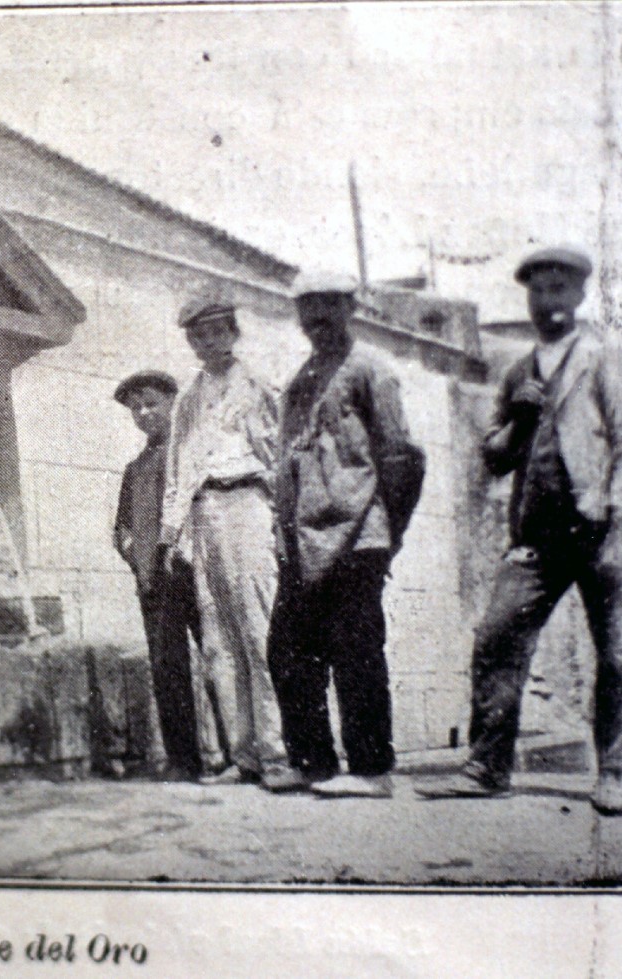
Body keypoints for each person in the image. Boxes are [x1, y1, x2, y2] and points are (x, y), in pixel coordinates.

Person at [416, 247, 622, 815]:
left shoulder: (604, 355)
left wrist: (617, 515)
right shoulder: (518, 369)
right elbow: (492, 457)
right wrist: (519, 416)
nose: (548, 301)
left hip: (599, 531)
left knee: (616, 654)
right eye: (538, 291)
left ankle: (615, 774)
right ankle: (488, 768)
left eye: (559, 289)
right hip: (536, 539)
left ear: (580, 295)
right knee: (495, 639)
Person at [267, 273, 425, 798]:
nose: (318, 318)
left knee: (356, 651)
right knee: (289, 651)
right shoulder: (301, 378)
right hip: (303, 540)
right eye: (308, 307)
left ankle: (372, 770)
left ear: (350, 308)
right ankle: (312, 762)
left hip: (358, 535)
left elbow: (402, 457)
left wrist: (387, 532)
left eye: (329, 306)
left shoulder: (371, 371)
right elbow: (290, 461)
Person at [157, 300, 290, 790]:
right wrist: (171, 534)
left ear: (233, 333)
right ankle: (244, 755)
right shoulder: (189, 399)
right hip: (204, 512)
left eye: (216, 333)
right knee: (218, 639)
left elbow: (279, 454)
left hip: (248, 503)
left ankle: (279, 753)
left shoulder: (257, 386)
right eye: (198, 336)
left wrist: (282, 519)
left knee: (260, 629)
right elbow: (178, 468)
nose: (208, 343)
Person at [112, 370, 201, 781]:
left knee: (218, 658)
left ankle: (238, 753)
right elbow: (122, 525)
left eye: (152, 403)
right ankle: (184, 759)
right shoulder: (136, 468)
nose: (145, 412)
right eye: (136, 407)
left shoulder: (188, 454)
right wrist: (132, 551)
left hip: (192, 571)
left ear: (173, 403)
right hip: (153, 581)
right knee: (168, 668)